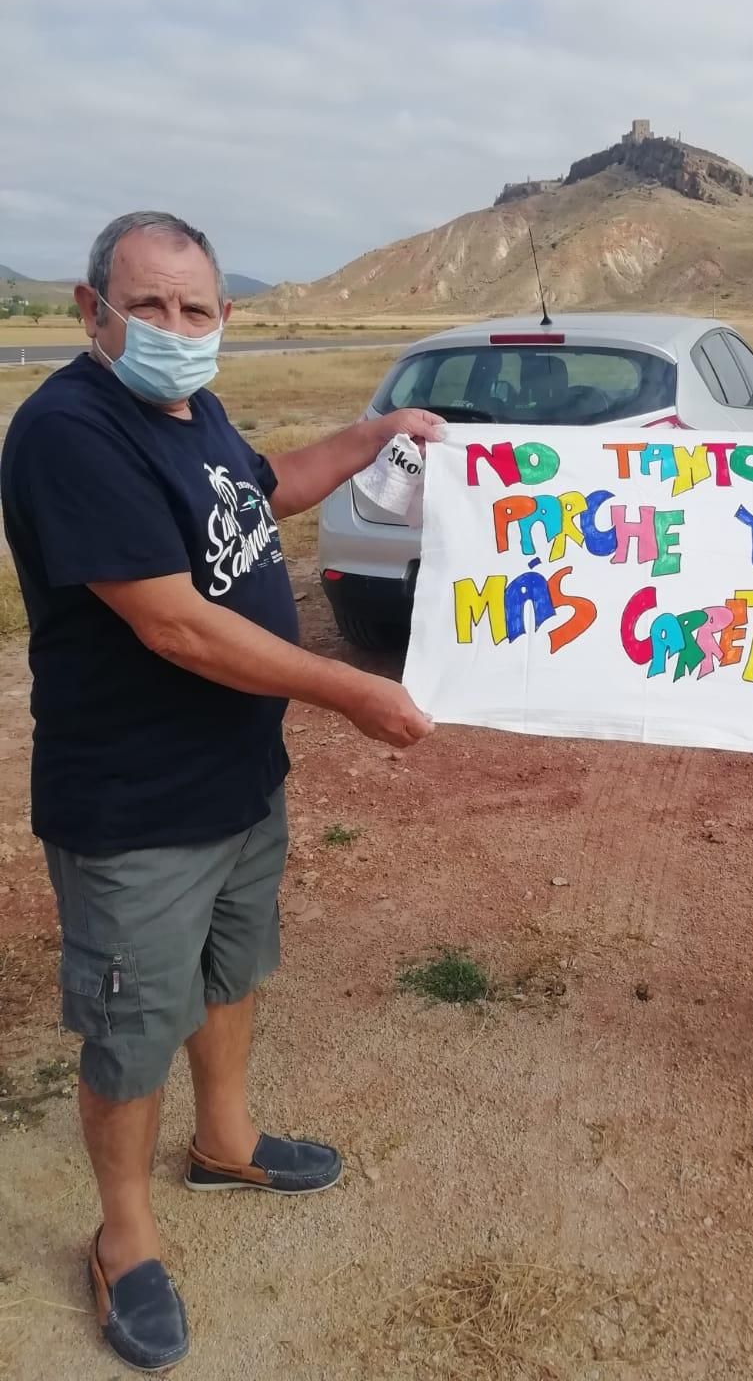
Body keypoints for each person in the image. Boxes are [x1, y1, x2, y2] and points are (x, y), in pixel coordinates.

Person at [0, 213, 444, 1371]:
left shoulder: (192, 411)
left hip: (237, 777)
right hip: (135, 804)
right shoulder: (69, 432)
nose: (175, 329)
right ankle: (125, 1235)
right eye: (147, 307)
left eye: (195, 310)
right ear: (89, 311)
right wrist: (349, 693)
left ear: (224, 319)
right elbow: (177, 626)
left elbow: (258, 500)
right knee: (131, 1022)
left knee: (231, 966)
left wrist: (375, 433)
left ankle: (228, 1139)